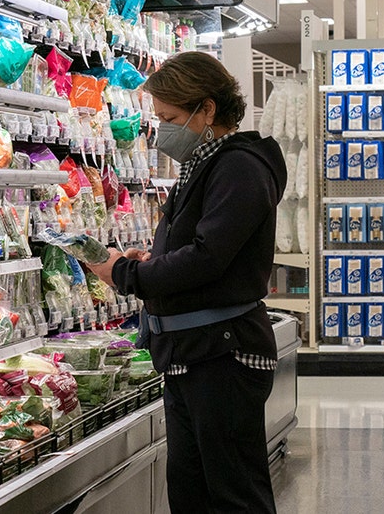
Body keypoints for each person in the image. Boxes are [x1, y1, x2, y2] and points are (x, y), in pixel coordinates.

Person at [87, 51, 285, 514]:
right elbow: (197, 250)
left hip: (223, 355)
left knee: (234, 496)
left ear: (207, 110)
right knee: (192, 495)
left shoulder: (239, 167)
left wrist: (125, 272)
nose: (162, 130)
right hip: (192, 354)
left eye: (170, 117)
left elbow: (207, 258)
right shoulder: (204, 164)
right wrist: (153, 259)